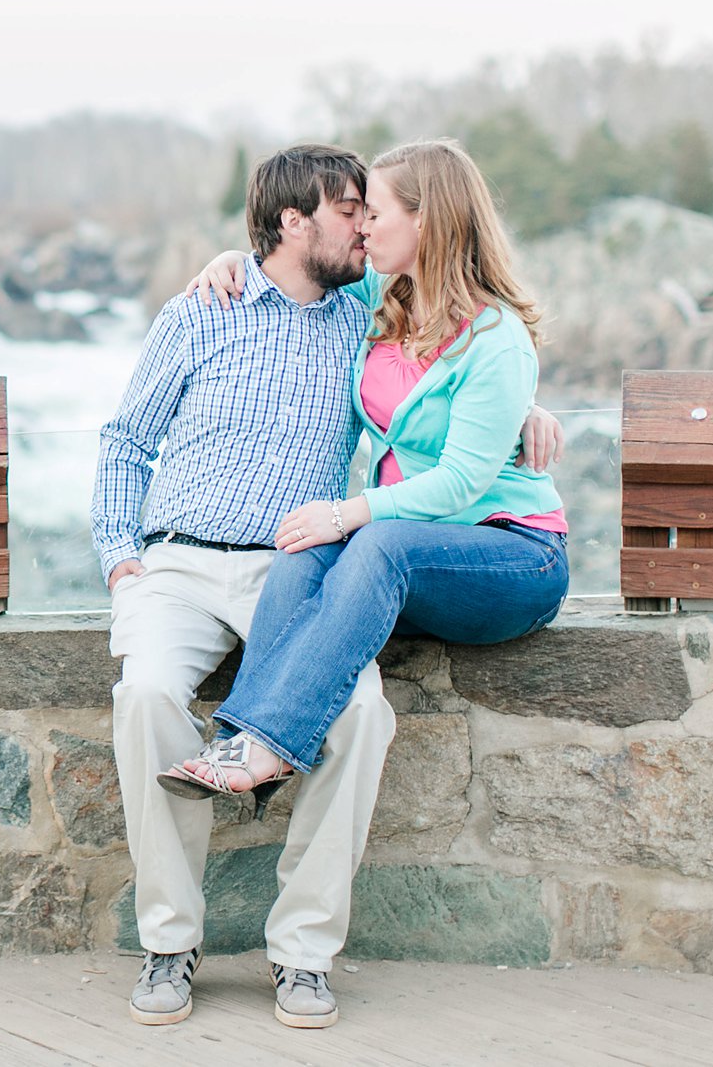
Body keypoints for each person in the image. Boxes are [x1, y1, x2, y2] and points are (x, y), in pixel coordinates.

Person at [92, 142, 560, 1032]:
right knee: (147, 695)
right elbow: (125, 442)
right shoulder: (202, 309)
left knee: (360, 715)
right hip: (179, 563)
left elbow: (452, 361)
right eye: (349, 209)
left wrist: (528, 410)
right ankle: (169, 942)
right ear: (292, 222)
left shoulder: (364, 314)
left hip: (299, 561)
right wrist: (121, 557)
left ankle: (303, 954)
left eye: (369, 208)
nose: (365, 223)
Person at [160, 138, 570, 817]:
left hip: (513, 553)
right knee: (308, 544)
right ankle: (236, 745)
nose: (363, 227)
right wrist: (233, 260)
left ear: (428, 220)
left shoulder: (496, 338)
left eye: (374, 213)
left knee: (371, 539)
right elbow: (298, 268)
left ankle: (267, 745)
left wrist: (349, 511)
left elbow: (462, 483)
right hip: (419, 547)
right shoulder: (388, 293)